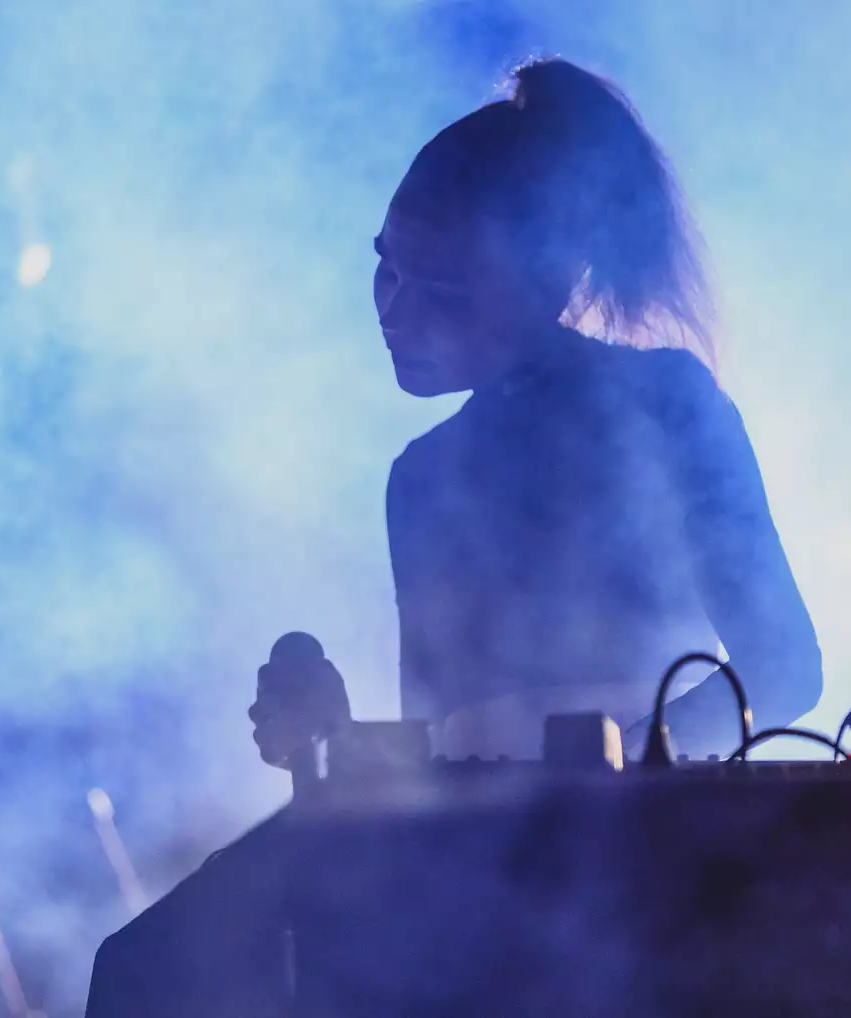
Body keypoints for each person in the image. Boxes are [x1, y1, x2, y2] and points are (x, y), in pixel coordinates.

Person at [251, 56, 822, 765]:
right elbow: (444, 763)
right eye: (387, 267)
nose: (394, 309)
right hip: (503, 870)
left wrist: (605, 767)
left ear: (540, 283)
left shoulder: (667, 407)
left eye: (440, 286)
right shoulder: (422, 477)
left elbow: (786, 670)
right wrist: (330, 741)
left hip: (671, 855)